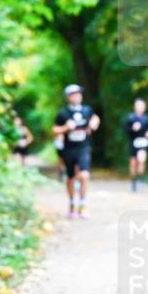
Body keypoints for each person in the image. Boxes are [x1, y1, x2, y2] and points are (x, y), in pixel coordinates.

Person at [52, 84, 100, 219]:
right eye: (74, 94)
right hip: (68, 149)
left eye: (79, 94)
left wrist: (94, 124)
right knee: (71, 178)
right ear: (68, 97)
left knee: (84, 175)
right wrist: (65, 128)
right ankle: (72, 205)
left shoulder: (87, 110)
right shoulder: (63, 113)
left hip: (83, 148)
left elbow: (95, 118)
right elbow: (54, 130)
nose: (77, 96)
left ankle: (83, 205)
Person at [125, 98, 148, 191]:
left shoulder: (146, 118)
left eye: (142, 105)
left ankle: (140, 178)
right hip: (133, 142)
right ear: (135, 107)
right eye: (138, 105)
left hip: (143, 142)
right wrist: (132, 129)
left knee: (142, 159)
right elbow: (126, 131)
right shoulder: (130, 118)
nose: (140, 107)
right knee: (133, 163)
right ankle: (133, 181)